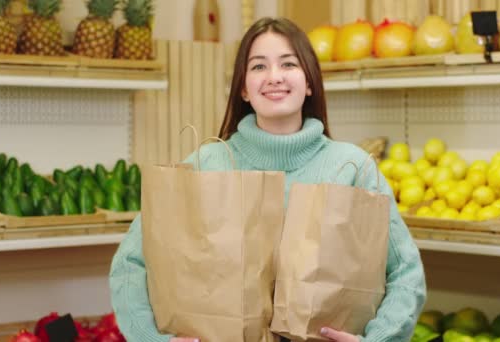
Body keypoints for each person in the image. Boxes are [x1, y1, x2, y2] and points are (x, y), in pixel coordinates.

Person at [109, 17, 426, 342]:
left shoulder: (352, 167)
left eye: (288, 64)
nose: (274, 77)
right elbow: (130, 262)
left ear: (310, 82)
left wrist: (377, 339)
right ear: (243, 88)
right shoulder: (206, 165)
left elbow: (406, 272)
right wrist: (150, 338)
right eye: (258, 67)